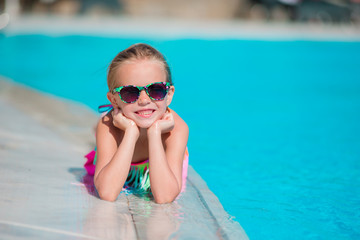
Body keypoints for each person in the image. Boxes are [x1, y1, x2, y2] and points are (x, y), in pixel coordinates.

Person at [84, 43, 189, 204]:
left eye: (156, 90)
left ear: (169, 95)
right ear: (114, 100)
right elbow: (107, 192)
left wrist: (155, 133)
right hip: (117, 126)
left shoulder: (177, 129)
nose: (144, 100)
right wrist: (130, 133)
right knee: (102, 125)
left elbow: (165, 197)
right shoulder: (108, 126)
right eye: (129, 93)